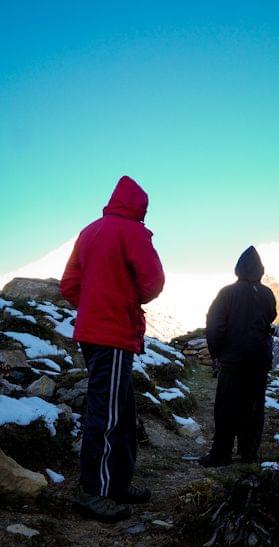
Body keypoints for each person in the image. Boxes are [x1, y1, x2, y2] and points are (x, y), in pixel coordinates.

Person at [60, 175, 165, 522]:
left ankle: (116, 483)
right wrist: (123, 303)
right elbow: (153, 282)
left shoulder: (89, 231)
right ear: (140, 206)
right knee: (108, 413)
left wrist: (92, 306)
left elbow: (69, 285)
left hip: (91, 334)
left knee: (118, 408)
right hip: (114, 334)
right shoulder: (134, 232)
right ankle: (93, 490)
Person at [199, 246, 277, 467]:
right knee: (253, 406)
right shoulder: (267, 293)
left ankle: (220, 454)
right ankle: (248, 453)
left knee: (226, 406)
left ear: (238, 269)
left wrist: (216, 353)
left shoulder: (227, 293)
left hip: (233, 360)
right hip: (260, 359)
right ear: (260, 271)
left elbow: (214, 325)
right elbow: (271, 316)